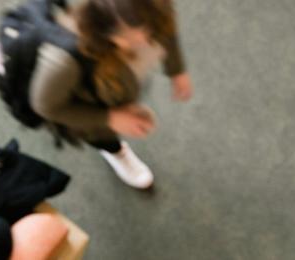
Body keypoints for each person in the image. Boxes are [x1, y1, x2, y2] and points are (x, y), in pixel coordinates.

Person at [26, 0, 193, 189]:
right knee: (99, 134)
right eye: (141, 36)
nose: (150, 40)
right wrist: (110, 118)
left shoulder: (153, 10)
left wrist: (177, 70)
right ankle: (114, 151)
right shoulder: (65, 62)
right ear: (106, 32)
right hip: (89, 101)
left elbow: (165, 26)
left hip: (120, 84)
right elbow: (44, 105)